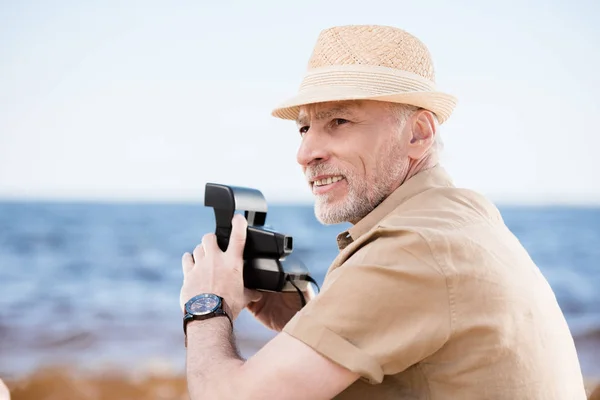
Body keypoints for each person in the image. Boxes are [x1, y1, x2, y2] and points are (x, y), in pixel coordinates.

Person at [179, 25, 588, 399]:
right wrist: (309, 315)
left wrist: (207, 303)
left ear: (418, 133)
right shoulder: (464, 220)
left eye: (339, 120)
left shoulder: (412, 248)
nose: (305, 153)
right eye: (305, 128)